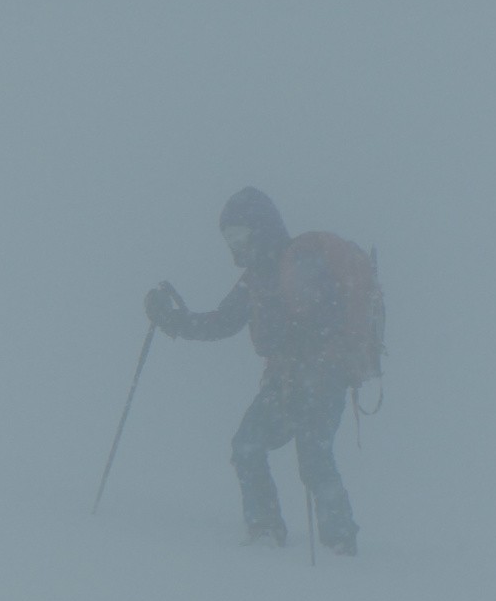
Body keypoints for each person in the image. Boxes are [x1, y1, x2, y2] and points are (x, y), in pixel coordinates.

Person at [144, 187, 360, 555]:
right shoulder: (255, 278)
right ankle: (265, 528)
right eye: (230, 238)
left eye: (241, 235)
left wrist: (308, 351)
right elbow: (222, 322)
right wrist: (174, 321)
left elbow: (327, 319)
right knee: (249, 446)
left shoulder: (303, 262)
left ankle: (340, 541)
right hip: (287, 381)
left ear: (262, 229)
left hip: (322, 379)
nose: (236, 245)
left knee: (313, 457)